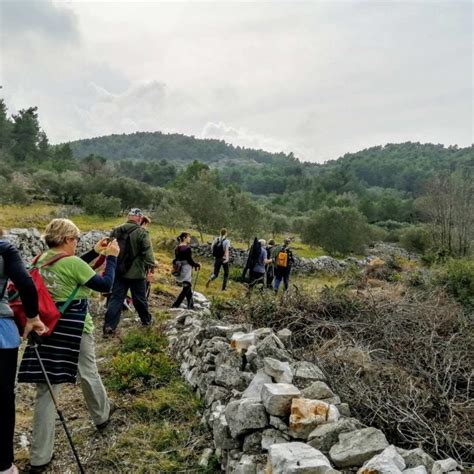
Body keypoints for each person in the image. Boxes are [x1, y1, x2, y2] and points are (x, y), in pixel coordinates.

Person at [17, 218, 120, 472]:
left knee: (47, 389)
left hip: (45, 327)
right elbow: (106, 284)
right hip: (75, 328)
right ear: (66, 240)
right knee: (87, 370)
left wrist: (95, 252)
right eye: (75, 239)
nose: (76, 243)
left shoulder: (40, 259)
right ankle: (102, 415)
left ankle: (40, 456)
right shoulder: (72, 262)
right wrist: (113, 257)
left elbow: (71, 265)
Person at [0, 229, 46, 474]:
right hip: (1, 332)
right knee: (4, 397)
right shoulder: (4, 249)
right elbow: (27, 285)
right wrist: (32, 318)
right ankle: (4, 465)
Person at [103, 208, 155, 337]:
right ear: (139, 218)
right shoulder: (142, 232)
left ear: (128, 216)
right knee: (139, 298)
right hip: (136, 273)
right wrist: (152, 266)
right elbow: (147, 252)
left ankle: (109, 326)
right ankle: (146, 321)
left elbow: (109, 248)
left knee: (116, 298)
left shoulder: (116, 230)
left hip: (118, 271)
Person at [172, 232, 200, 309]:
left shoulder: (177, 248)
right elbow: (190, 260)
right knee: (186, 288)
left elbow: (176, 259)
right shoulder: (187, 248)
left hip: (180, 269)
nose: (190, 238)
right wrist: (197, 265)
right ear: (184, 238)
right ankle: (175, 305)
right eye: (188, 237)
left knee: (188, 287)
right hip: (186, 269)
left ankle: (191, 305)